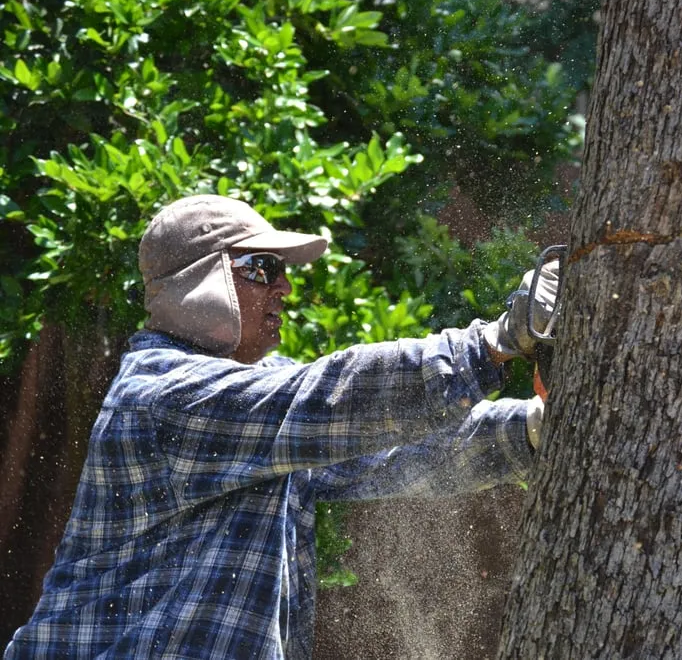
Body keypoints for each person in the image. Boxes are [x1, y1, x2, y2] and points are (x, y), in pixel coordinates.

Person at [4, 195, 559, 660]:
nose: (284, 288)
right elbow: (325, 399)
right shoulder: (166, 394)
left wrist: (528, 431)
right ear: (200, 282)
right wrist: (495, 341)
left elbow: (389, 451)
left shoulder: (256, 405)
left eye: (282, 271)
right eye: (262, 269)